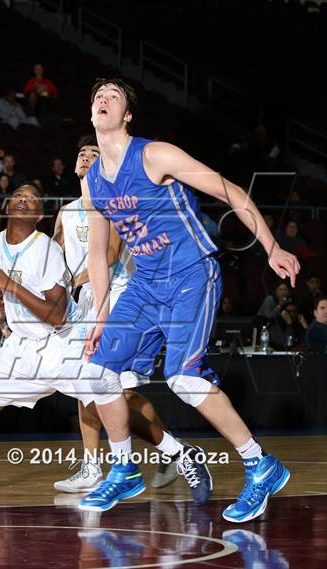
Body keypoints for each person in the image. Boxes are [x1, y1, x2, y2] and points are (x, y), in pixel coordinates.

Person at [79, 78, 299, 522]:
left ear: (127, 116)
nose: (103, 99)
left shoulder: (154, 154)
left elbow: (229, 190)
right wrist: (100, 315)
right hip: (144, 285)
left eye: (113, 97)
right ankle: (123, 469)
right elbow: (98, 254)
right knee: (97, 374)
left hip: (190, 275)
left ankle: (261, 465)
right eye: (97, 95)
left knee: (185, 379)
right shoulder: (92, 182)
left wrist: (272, 246)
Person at [0, 183, 203, 498]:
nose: (23, 199)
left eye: (31, 198)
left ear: (40, 214)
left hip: (62, 341)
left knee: (107, 407)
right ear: (7, 205)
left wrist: (11, 286)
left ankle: (180, 453)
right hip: (22, 346)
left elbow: (57, 315)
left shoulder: (46, 249)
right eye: (18, 195)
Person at [53, 135, 182, 492]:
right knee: (84, 385)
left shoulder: (113, 202)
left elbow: (109, 256)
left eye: (93, 153)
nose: (85, 157)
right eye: (81, 152)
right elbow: (57, 256)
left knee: (122, 391)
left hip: (121, 298)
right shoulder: (66, 212)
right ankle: (93, 467)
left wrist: (77, 280)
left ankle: (169, 451)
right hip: (85, 302)